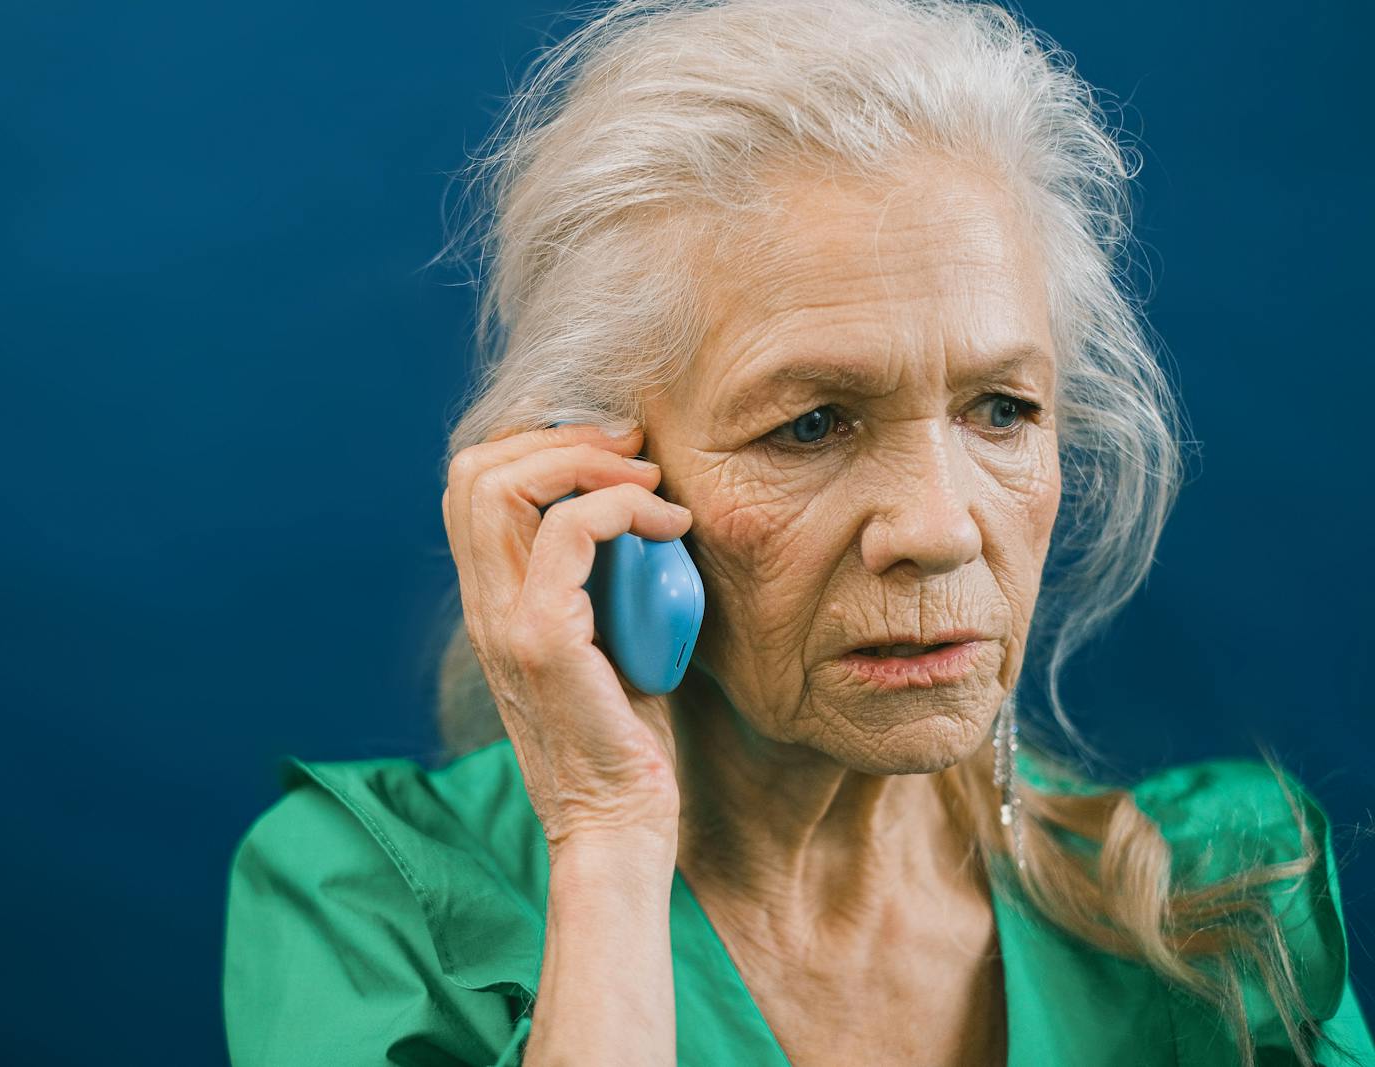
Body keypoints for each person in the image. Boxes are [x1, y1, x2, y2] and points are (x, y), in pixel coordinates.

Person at [222, 0, 1374, 1063]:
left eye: (1001, 410)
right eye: (810, 423)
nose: (936, 527)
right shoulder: (364, 904)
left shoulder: (1224, 895)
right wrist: (609, 841)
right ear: (597, 490)